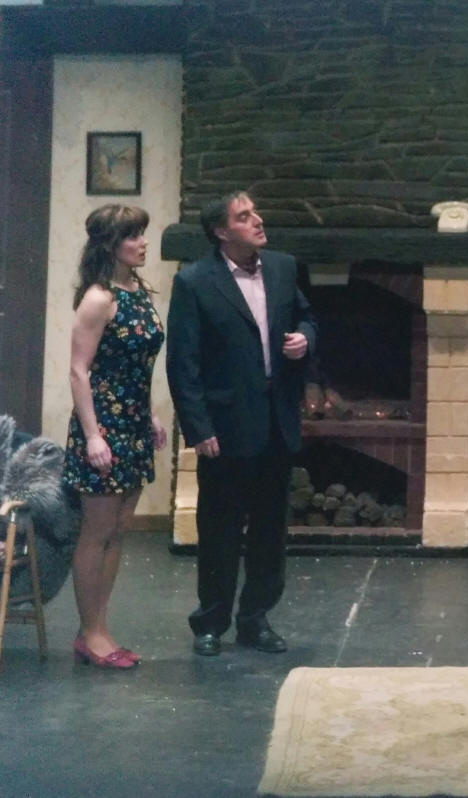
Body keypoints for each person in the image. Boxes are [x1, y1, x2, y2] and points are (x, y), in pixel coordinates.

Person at [166, 191, 318, 657]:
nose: (258, 219)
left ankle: (256, 619)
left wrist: (304, 339)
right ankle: (211, 622)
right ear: (221, 231)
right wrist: (198, 428)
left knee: (271, 530)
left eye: (255, 211)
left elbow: (307, 317)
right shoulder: (194, 281)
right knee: (220, 529)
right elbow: (183, 363)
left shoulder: (283, 267)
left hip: (276, 421)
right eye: (244, 216)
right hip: (226, 426)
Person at [63, 204, 166, 669]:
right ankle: (90, 634)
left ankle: (99, 628)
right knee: (98, 531)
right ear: (110, 244)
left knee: (118, 531)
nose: (143, 243)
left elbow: (134, 366)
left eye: (142, 234)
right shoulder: (99, 298)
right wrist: (92, 436)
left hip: (133, 424)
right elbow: (79, 371)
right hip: (102, 427)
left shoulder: (137, 291)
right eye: (133, 236)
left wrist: (151, 415)